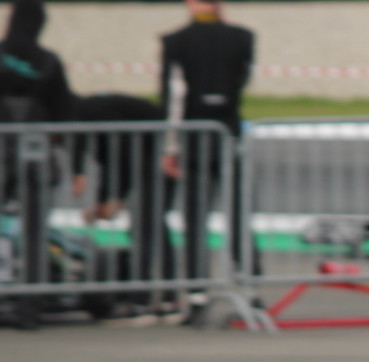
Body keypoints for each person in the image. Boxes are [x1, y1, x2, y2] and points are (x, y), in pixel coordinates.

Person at [160, 0, 257, 319]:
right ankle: (249, 286)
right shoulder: (242, 38)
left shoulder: (175, 41)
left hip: (195, 135)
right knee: (239, 212)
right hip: (229, 132)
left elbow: (174, 97)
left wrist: (170, 147)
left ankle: (197, 293)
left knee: (195, 217)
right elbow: (243, 79)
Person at [1, 0, 74, 329]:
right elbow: (64, 112)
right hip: (36, 153)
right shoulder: (48, 61)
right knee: (34, 231)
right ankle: (30, 305)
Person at [71, 93, 176, 316]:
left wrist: (113, 198)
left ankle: (151, 297)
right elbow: (112, 162)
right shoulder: (87, 117)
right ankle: (159, 295)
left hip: (158, 154)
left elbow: (121, 159)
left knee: (149, 225)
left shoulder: (89, 117)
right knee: (148, 226)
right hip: (147, 153)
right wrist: (106, 200)